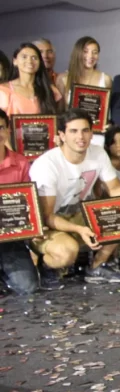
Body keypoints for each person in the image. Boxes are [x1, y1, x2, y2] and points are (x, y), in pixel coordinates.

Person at [29, 109, 120, 287]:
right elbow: (47, 216)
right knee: (67, 252)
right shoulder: (46, 165)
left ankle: (97, 266)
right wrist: (79, 229)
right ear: (62, 135)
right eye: (73, 131)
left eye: (85, 130)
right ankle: (46, 266)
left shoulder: (98, 153)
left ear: (91, 133)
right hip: (49, 223)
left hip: (79, 212)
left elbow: (114, 187)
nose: (80, 137)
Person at [0, 109, 39, 296]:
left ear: (8, 131)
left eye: (0, 128)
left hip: (11, 238)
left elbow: (28, 205)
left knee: (28, 287)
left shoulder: (22, 163)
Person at [0, 43, 62, 118]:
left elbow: (59, 118)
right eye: (24, 57)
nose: (29, 61)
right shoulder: (3, 90)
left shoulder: (50, 90)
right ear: (15, 61)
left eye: (34, 58)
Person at [55, 36, 113, 105]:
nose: (90, 56)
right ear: (77, 53)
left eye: (95, 52)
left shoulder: (106, 79)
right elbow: (60, 110)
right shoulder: (63, 79)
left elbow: (108, 109)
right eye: (85, 51)